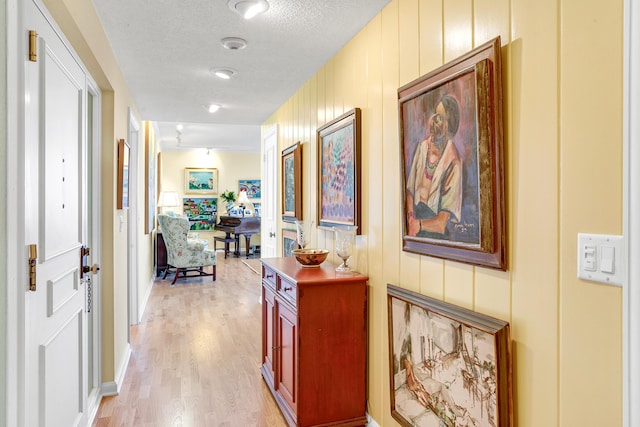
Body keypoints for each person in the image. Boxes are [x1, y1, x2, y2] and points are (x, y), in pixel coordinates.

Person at [405, 95, 463, 239]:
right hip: (413, 226)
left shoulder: (453, 161)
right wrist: (411, 217)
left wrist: (418, 225)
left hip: (433, 235)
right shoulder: (422, 147)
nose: (433, 121)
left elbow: (441, 223)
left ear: (448, 126)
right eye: (435, 114)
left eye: (440, 117)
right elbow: (409, 191)